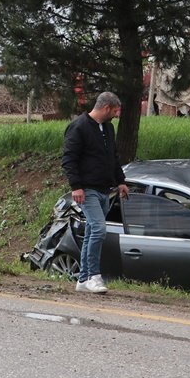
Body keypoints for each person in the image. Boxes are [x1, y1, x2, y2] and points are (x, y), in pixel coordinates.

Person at [62, 91, 129, 294]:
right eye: (115, 111)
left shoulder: (108, 128)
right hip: (87, 190)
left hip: (104, 190)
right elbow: (69, 160)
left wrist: (121, 182)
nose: (116, 115)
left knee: (92, 231)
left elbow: (113, 158)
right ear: (106, 108)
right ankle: (94, 276)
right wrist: (76, 187)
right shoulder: (79, 127)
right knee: (99, 229)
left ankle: (82, 280)